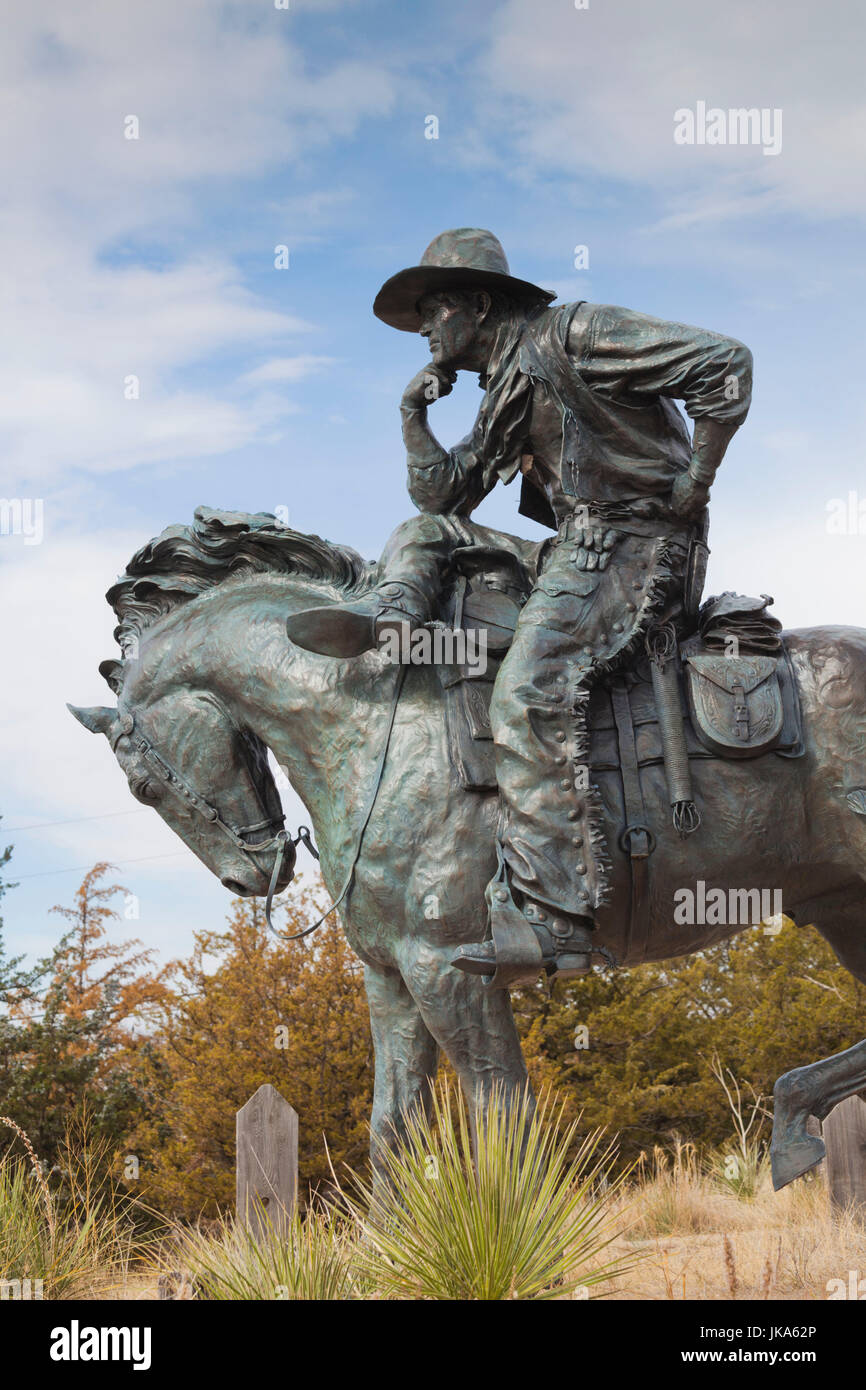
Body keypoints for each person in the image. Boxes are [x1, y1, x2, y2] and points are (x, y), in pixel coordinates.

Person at [286, 228, 752, 983]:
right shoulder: (505, 380)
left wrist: (695, 481)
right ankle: (397, 621)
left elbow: (726, 363)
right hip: (579, 544)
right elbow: (447, 493)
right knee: (425, 529)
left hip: (638, 549)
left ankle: (556, 916)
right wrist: (413, 416)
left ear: (476, 304)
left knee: (528, 691)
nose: (426, 331)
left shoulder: (578, 333)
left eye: (433, 313)